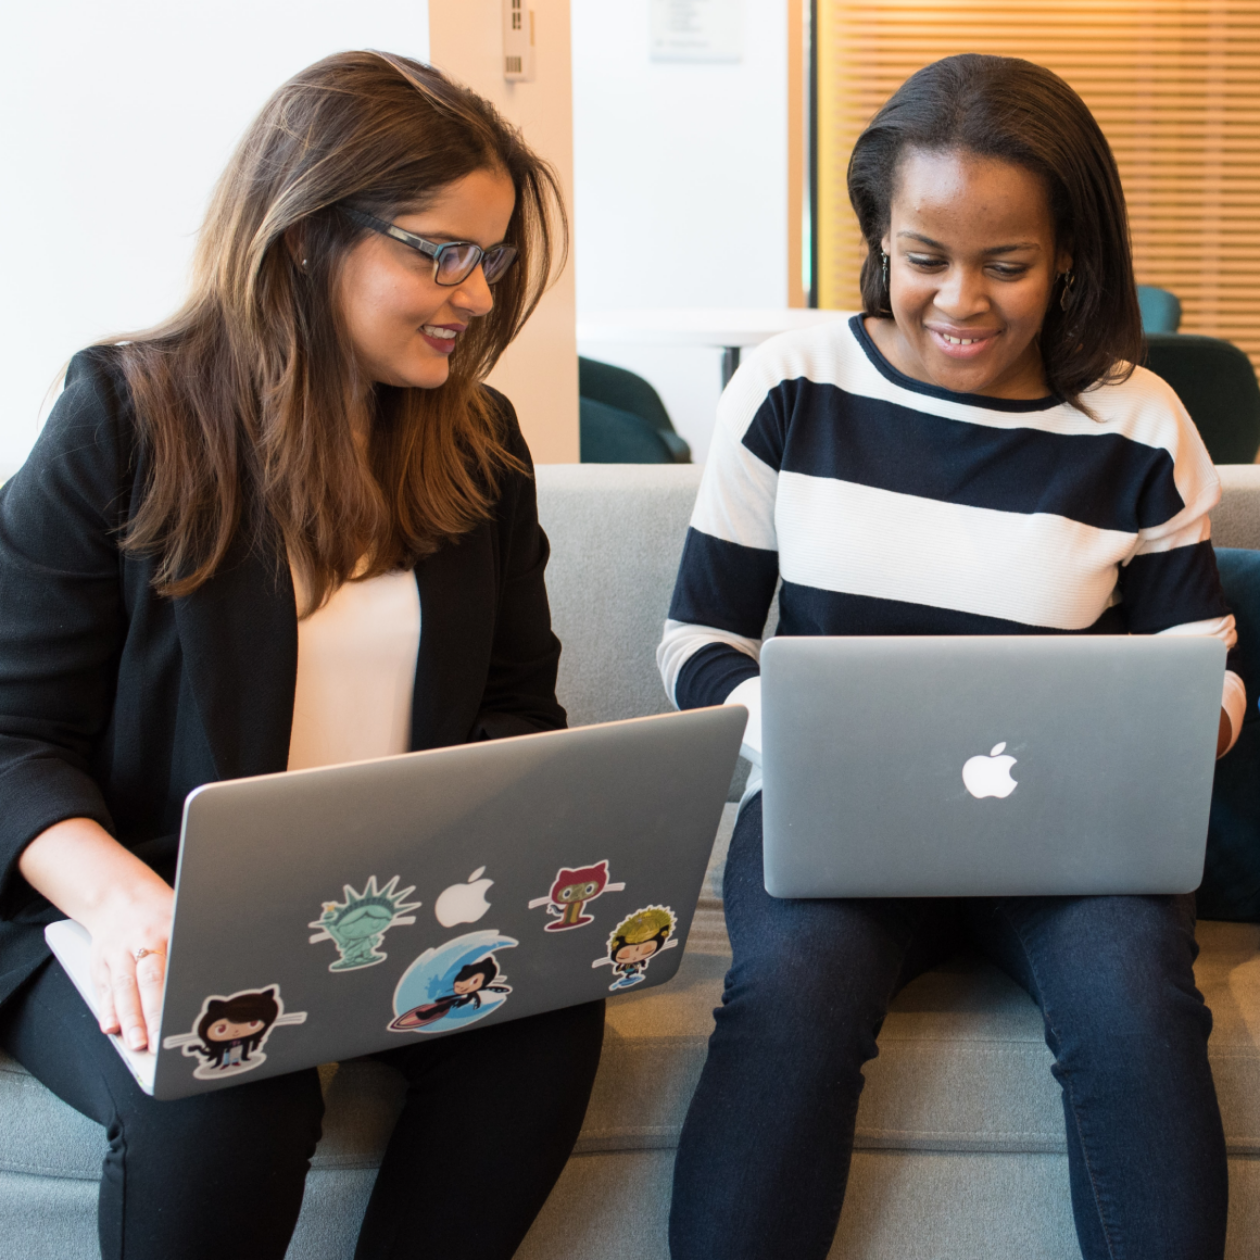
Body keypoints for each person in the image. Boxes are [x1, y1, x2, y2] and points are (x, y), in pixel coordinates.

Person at [0, 51, 603, 1260]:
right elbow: (12, 731)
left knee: (546, 1026)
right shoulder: (124, 417)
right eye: (440, 251)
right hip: (132, 910)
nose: (476, 294)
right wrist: (131, 908)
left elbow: (513, 710)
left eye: (489, 258)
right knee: (235, 1087)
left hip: (379, 912)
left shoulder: (477, 445)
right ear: (306, 236)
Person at [659, 54, 1243, 1260]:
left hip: (1072, 838)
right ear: (879, 237)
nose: (960, 300)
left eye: (1008, 265)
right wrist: (798, 724)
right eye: (925, 257)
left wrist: (1190, 723)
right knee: (790, 1001)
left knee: (1137, 1003)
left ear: (1071, 250)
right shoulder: (791, 387)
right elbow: (695, 644)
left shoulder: (1139, 424)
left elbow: (1210, 668)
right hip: (834, 820)